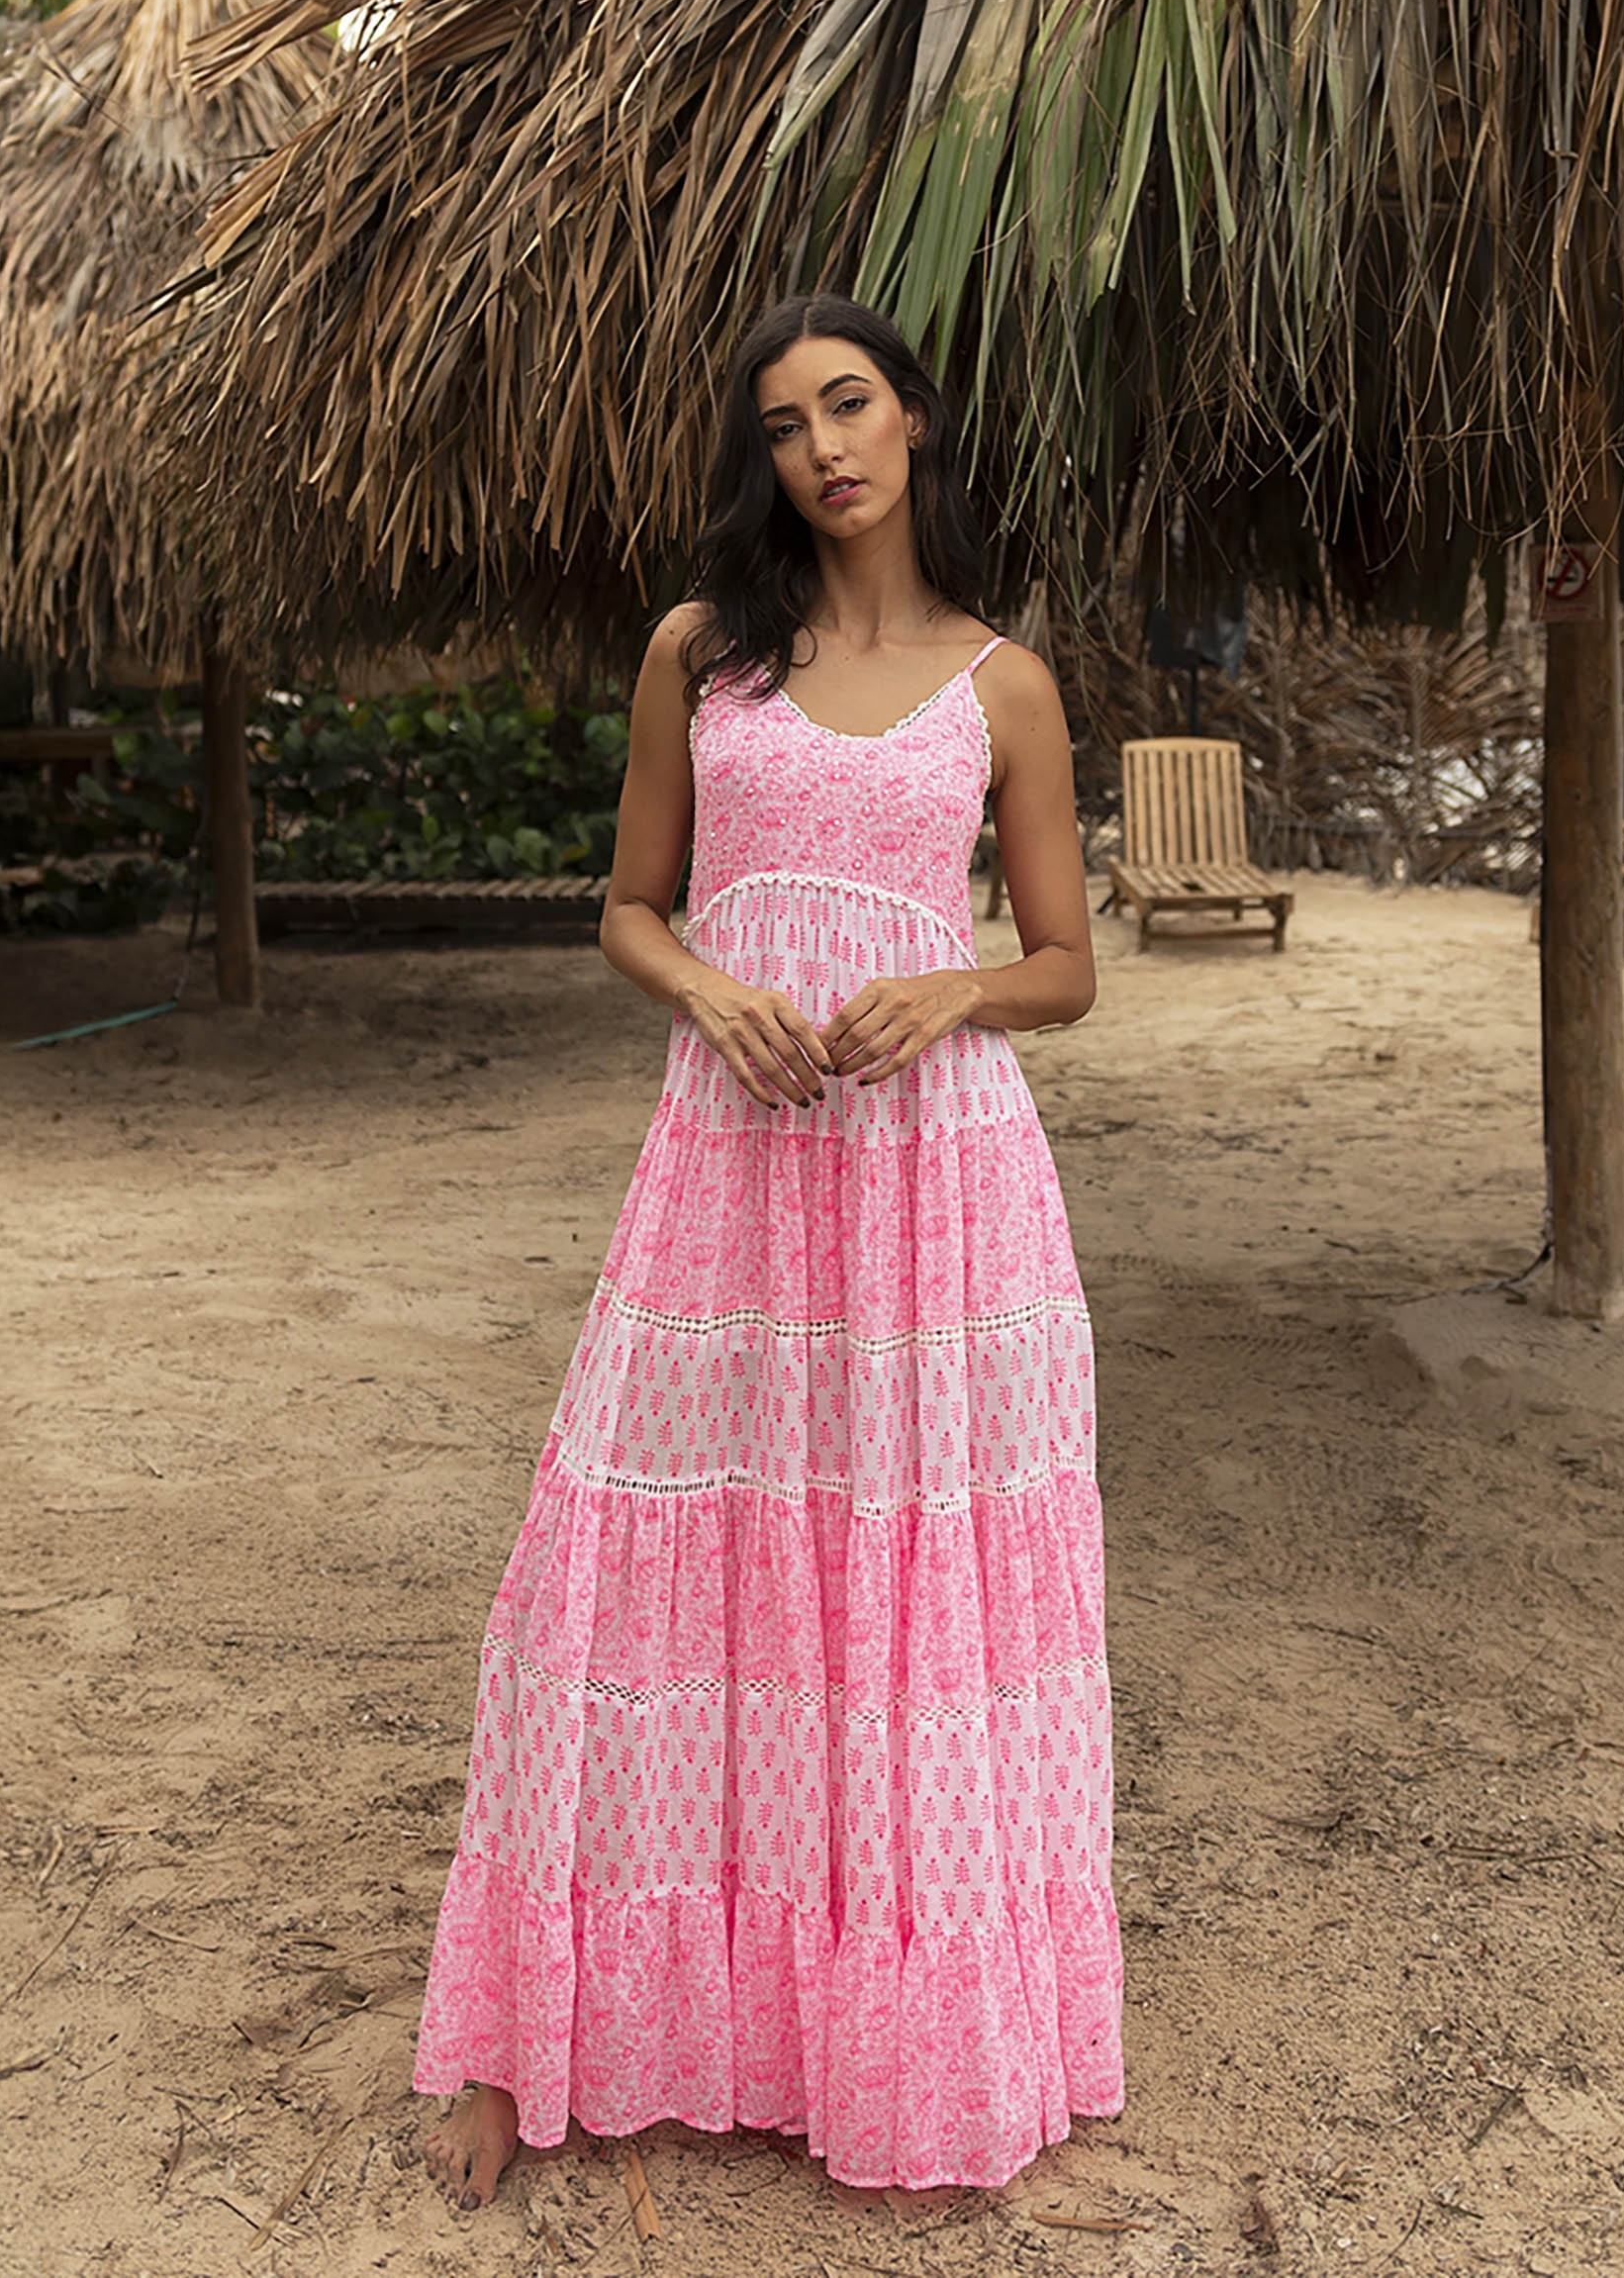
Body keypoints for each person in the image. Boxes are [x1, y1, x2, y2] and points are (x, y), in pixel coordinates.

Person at [418, 294, 1122, 2206]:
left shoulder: (1006, 686)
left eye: (852, 404)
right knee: (620, 1566)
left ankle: (896, 2042)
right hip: (728, 1165)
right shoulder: (700, 656)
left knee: (903, 1598)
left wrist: (953, 990)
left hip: (934, 1196)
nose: (824, 448)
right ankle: (526, 2038)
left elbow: (1067, 965)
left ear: (914, 420)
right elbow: (627, 907)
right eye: (788, 424)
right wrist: (709, 991)